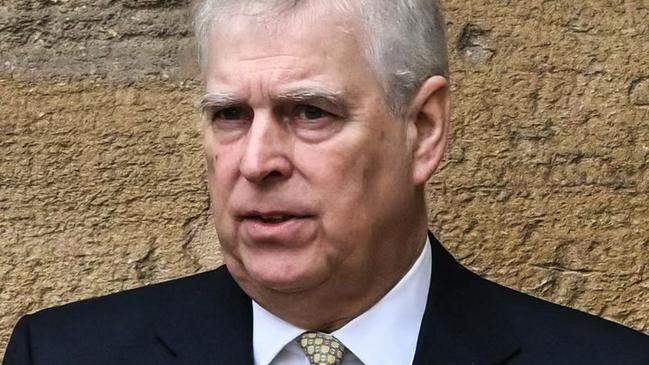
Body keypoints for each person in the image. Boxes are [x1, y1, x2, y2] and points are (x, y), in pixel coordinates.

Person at [4, 1, 649, 364]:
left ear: (423, 130)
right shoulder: (63, 356)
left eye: (310, 112)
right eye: (230, 114)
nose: (257, 162)